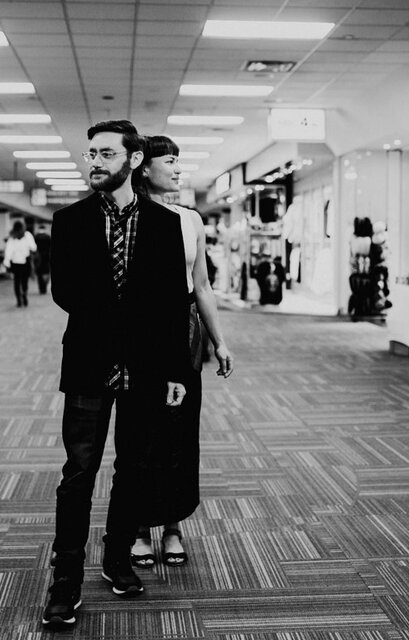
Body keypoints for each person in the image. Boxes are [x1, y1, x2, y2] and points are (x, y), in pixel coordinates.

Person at [43, 120, 192, 627]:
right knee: (78, 473)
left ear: (132, 160)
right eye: (90, 154)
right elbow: (66, 293)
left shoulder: (166, 223)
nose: (94, 162)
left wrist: (175, 369)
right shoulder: (69, 221)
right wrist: (123, 321)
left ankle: (115, 558)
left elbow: (174, 303)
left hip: (148, 366)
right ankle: (64, 580)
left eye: (106, 153)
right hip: (89, 361)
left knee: (133, 466)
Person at [130, 135, 234, 569]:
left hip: (184, 333)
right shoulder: (129, 218)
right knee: (139, 433)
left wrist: (219, 339)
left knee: (178, 432)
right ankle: (137, 526)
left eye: (178, 161)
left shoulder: (191, 220)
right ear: (143, 167)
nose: (177, 169)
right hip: (140, 335)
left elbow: (203, 287)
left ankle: (172, 525)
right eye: (169, 161)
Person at [3, 220, 37, 307]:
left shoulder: (12, 238)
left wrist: (7, 263)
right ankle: (24, 295)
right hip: (25, 263)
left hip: (15, 264)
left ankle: (19, 299)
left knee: (17, 282)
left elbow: (8, 252)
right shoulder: (27, 235)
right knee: (24, 281)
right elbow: (33, 248)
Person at [33, 223, 52, 294]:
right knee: (46, 272)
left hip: (38, 258)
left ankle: (41, 288)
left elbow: (33, 248)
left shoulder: (36, 237)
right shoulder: (48, 237)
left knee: (39, 274)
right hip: (46, 258)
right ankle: (45, 286)